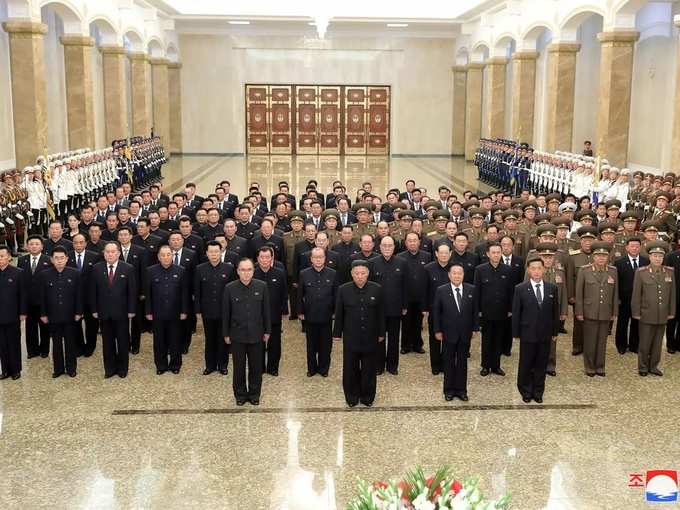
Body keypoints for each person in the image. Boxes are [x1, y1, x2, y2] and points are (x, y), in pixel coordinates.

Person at [333, 260, 385, 407]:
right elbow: (339, 313)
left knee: (369, 368)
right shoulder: (343, 289)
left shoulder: (377, 289)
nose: (360, 276)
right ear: (352, 274)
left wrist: (381, 333)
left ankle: (367, 397)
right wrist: (337, 333)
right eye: (357, 273)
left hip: (371, 336)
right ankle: (351, 397)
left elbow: (381, 313)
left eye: (363, 273)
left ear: (368, 274)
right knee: (350, 368)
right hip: (351, 336)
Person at [222, 258, 271, 406]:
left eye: (249, 269)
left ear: (253, 271)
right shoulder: (230, 288)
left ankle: (255, 394)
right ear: (237, 271)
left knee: (256, 367)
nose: (246, 273)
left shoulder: (262, 286)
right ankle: (240, 395)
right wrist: (226, 334)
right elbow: (226, 313)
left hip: (257, 334)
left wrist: (267, 331)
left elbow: (266, 311)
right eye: (242, 270)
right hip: (237, 335)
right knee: (239, 367)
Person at [512, 257, 560, 403]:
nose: (537, 271)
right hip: (527, 333)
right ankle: (525, 390)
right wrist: (515, 333)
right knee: (526, 363)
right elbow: (516, 312)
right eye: (533, 268)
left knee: (541, 363)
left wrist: (555, 332)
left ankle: (538, 391)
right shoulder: (520, 288)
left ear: (544, 270)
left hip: (545, 334)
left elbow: (555, 311)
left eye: (539, 268)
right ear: (528, 270)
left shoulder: (552, 288)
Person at [90, 241, 137, 378]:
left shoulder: (128, 268)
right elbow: (93, 291)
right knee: (107, 343)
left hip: (122, 313)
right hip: (104, 312)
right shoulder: (96, 268)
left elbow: (132, 291)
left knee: (122, 342)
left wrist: (131, 310)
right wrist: (94, 309)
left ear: (118, 253)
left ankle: (122, 369)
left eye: (113, 252)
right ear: (104, 253)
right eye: (107, 252)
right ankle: (109, 369)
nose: (110, 254)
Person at [433, 264, 479, 401]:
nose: (457, 276)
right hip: (448, 333)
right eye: (454, 273)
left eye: (460, 273)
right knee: (448, 362)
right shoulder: (441, 290)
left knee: (462, 362)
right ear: (449, 275)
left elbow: (475, 311)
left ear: (463, 275)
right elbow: (436, 312)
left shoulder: (471, 289)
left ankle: (461, 390)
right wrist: (437, 330)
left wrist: (475, 328)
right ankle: (449, 390)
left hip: (465, 333)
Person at [144, 245, 190, 375]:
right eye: (162, 255)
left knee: (175, 340)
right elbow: (148, 293)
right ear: (158, 257)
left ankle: (175, 364)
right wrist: (148, 311)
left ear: (172, 256)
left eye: (168, 254)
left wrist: (184, 311)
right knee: (159, 341)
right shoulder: (150, 271)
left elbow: (184, 293)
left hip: (175, 313)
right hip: (157, 313)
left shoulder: (181, 270)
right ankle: (161, 365)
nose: (165, 257)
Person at [632, 241, 675, 376]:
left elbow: (672, 294)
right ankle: (643, 367)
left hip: (662, 314)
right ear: (649, 257)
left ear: (663, 258)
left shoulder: (669, 272)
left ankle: (654, 366)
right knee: (645, 342)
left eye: (660, 256)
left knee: (657, 343)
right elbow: (636, 295)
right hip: (646, 313)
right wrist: (636, 312)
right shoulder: (641, 272)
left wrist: (671, 312)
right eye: (655, 256)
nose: (657, 258)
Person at [575, 241, 618, 377]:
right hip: (589, 312)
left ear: (608, 257)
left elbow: (615, 293)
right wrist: (579, 312)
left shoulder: (613, 271)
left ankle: (600, 366)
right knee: (589, 340)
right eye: (598, 255)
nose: (601, 258)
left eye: (604, 255)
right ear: (593, 256)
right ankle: (589, 366)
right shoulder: (584, 270)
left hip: (606, 311)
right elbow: (579, 294)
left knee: (602, 341)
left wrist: (614, 312)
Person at [39, 246, 83, 378]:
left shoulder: (75, 273)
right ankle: (58, 369)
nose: (59, 261)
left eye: (62, 258)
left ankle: (71, 369)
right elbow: (42, 297)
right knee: (56, 344)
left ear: (67, 259)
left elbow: (79, 295)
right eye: (56, 258)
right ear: (52, 259)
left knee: (70, 343)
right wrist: (43, 314)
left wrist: (78, 312)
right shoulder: (45, 274)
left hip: (70, 315)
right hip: (53, 316)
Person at [193, 240, 235, 375]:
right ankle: (210, 365)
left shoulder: (229, 268)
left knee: (223, 339)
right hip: (207, 311)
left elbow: (233, 291)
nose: (214, 254)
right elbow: (197, 292)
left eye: (216, 251)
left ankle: (223, 365)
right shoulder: (200, 269)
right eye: (211, 252)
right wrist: (198, 310)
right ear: (206, 253)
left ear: (221, 252)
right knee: (209, 339)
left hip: (224, 311)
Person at [474, 241, 513, 377]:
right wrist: (477, 310)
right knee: (486, 340)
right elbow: (477, 291)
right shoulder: (480, 269)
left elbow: (510, 291)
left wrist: (510, 308)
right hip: (486, 312)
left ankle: (496, 366)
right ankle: (485, 366)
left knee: (498, 340)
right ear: (488, 254)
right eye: (493, 253)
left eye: (498, 252)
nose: (496, 255)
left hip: (502, 312)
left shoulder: (507, 270)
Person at [369, 236, 407, 375]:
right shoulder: (372, 263)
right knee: (378, 337)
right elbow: (369, 287)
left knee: (394, 338)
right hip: (377, 308)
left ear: (394, 247)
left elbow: (405, 286)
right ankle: (379, 366)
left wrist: (404, 305)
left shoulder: (402, 263)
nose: (387, 248)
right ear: (379, 247)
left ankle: (392, 366)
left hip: (395, 307)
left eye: (390, 245)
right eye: (384, 245)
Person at [298, 247, 337, 377]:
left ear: (325, 259)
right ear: (311, 259)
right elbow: (300, 295)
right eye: (315, 257)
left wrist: (335, 311)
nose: (318, 259)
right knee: (311, 345)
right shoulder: (304, 273)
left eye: (320, 257)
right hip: (310, 315)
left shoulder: (332, 273)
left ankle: (323, 369)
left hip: (326, 315)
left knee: (326, 346)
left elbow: (335, 294)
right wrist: (300, 312)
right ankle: (312, 369)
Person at [254, 245, 288, 376]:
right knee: (258, 343)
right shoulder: (253, 273)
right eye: (262, 257)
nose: (264, 260)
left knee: (275, 342)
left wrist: (284, 310)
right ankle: (260, 367)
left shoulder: (279, 273)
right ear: (258, 258)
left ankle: (273, 368)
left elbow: (284, 293)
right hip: (257, 315)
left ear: (272, 258)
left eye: (267, 257)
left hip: (274, 313)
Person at [18, 235, 52, 358]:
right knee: (30, 327)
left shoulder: (48, 260)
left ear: (42, 246)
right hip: (28, 301)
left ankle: (44, 350)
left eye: (37, 244)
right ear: (27, 246)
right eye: (31, 244)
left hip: (43, 300)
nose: (34, 246)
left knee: (44, 326)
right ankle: (32, 351)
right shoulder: (22, 260)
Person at [614, 237, 649, 355]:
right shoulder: (619, 263)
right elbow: (616, 282)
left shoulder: (646, 261)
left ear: (640, 247)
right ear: (627, 247)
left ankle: (635, 345)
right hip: (624, 299)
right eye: (632, 246)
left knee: (637, 323)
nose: (634, 248)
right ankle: (621, 345)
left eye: (637, 246)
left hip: (640, 299)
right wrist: (617, 298)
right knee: (622, 323)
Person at [397, 232, 430, 355]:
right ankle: (405, 345)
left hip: (421, 296)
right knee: (406, 323)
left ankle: (417, 344)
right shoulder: (400, 257)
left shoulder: (427, 256)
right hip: (406, 296)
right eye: (409, 240)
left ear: (419, 242)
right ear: (405, 243)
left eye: (414, 240)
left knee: (418, 322)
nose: (412, 242)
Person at [424, 243, 452, 375]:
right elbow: (424, 289)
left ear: (450, 254)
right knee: (434, 338)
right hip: (434, 310)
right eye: (441, 253)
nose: (444, 255)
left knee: (448, 339)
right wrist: (424, 308)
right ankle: (435, 365)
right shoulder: (428, 268)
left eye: (447, 253)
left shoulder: (455, 269)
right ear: (436, 254)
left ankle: (446, 364)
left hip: (450, 311)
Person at [0, 246, 27, 380]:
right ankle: (5, 370)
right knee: (2, 345)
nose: (0, 259)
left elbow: (23, 294)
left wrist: (23, 312)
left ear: (9, 257)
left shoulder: (18, 272)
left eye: (2, 256)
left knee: (14, 343)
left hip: (13, 314)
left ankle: (16, 370)